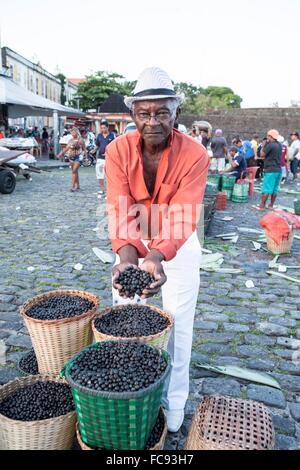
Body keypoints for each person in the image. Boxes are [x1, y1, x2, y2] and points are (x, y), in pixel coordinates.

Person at [105, 67, 209, 433]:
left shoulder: (195, 154)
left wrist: (157, 256)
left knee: (177, 325)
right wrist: (128, 258)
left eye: (162, 112)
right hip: (134, 243)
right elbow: (119, 207)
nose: (153, 121)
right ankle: (132, 394)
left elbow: (184, 215)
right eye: (145, 113)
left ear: (176, 113)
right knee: (126, 319)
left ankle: (173, 405)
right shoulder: (117, 150)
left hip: (177, 245)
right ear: (132, 115)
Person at [254, 129, 282, 210]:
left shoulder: (270, 145)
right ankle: (271, 205)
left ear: (270, 136)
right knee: (274, 189)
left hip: (270, 170)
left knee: (266, 188)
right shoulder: (280, 145)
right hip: (278, 169)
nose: (267, 138)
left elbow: (262, 155)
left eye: (267, 136)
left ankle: (262, 206)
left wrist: (264, 145)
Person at [57, 127, 87, 192]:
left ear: (77, 132)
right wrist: (60, 154)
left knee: (74, 171)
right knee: (75, 171)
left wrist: (86, 157)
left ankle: (73, 186)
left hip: (79, 156)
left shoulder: (80, 140)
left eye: (74, 132)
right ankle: (78, 186)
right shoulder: (70, 140)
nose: (73, 134)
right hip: (71, 157)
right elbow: (66, 148)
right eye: (71, 132)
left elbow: (84, 149)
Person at [93, 120, 115, 195]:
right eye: (101, 128)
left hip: (109, 159)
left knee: (109, 175)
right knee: (100, 174)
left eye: (104, 128)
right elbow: (97, 145)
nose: (103, 129)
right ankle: (102, 189)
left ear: (108, 127)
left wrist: (109, 153)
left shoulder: (112, 135)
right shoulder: (99, 135)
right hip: (100, 158)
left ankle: (109, 190)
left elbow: (115, 147)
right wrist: (93, 150)